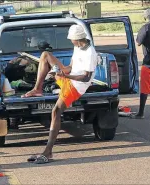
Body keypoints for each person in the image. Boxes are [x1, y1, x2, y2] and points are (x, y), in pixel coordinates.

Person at [23, 25, 98, 164]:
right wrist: (58, 72)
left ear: (76, 38)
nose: (71, 42)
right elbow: (71, 67)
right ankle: (37, 89)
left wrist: (64, 76)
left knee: (56, 111)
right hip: (69, 77)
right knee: (45, 55)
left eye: (71, 39)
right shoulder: (78, 47)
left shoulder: (90, 53)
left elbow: (86, 78)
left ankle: (48, 152)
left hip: (76, 86)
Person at [131, 8, 150, 119]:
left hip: (149, 63)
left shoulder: (145, 28)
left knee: (144, 90)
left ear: (145, 17)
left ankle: (141, 113)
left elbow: (139, 42)